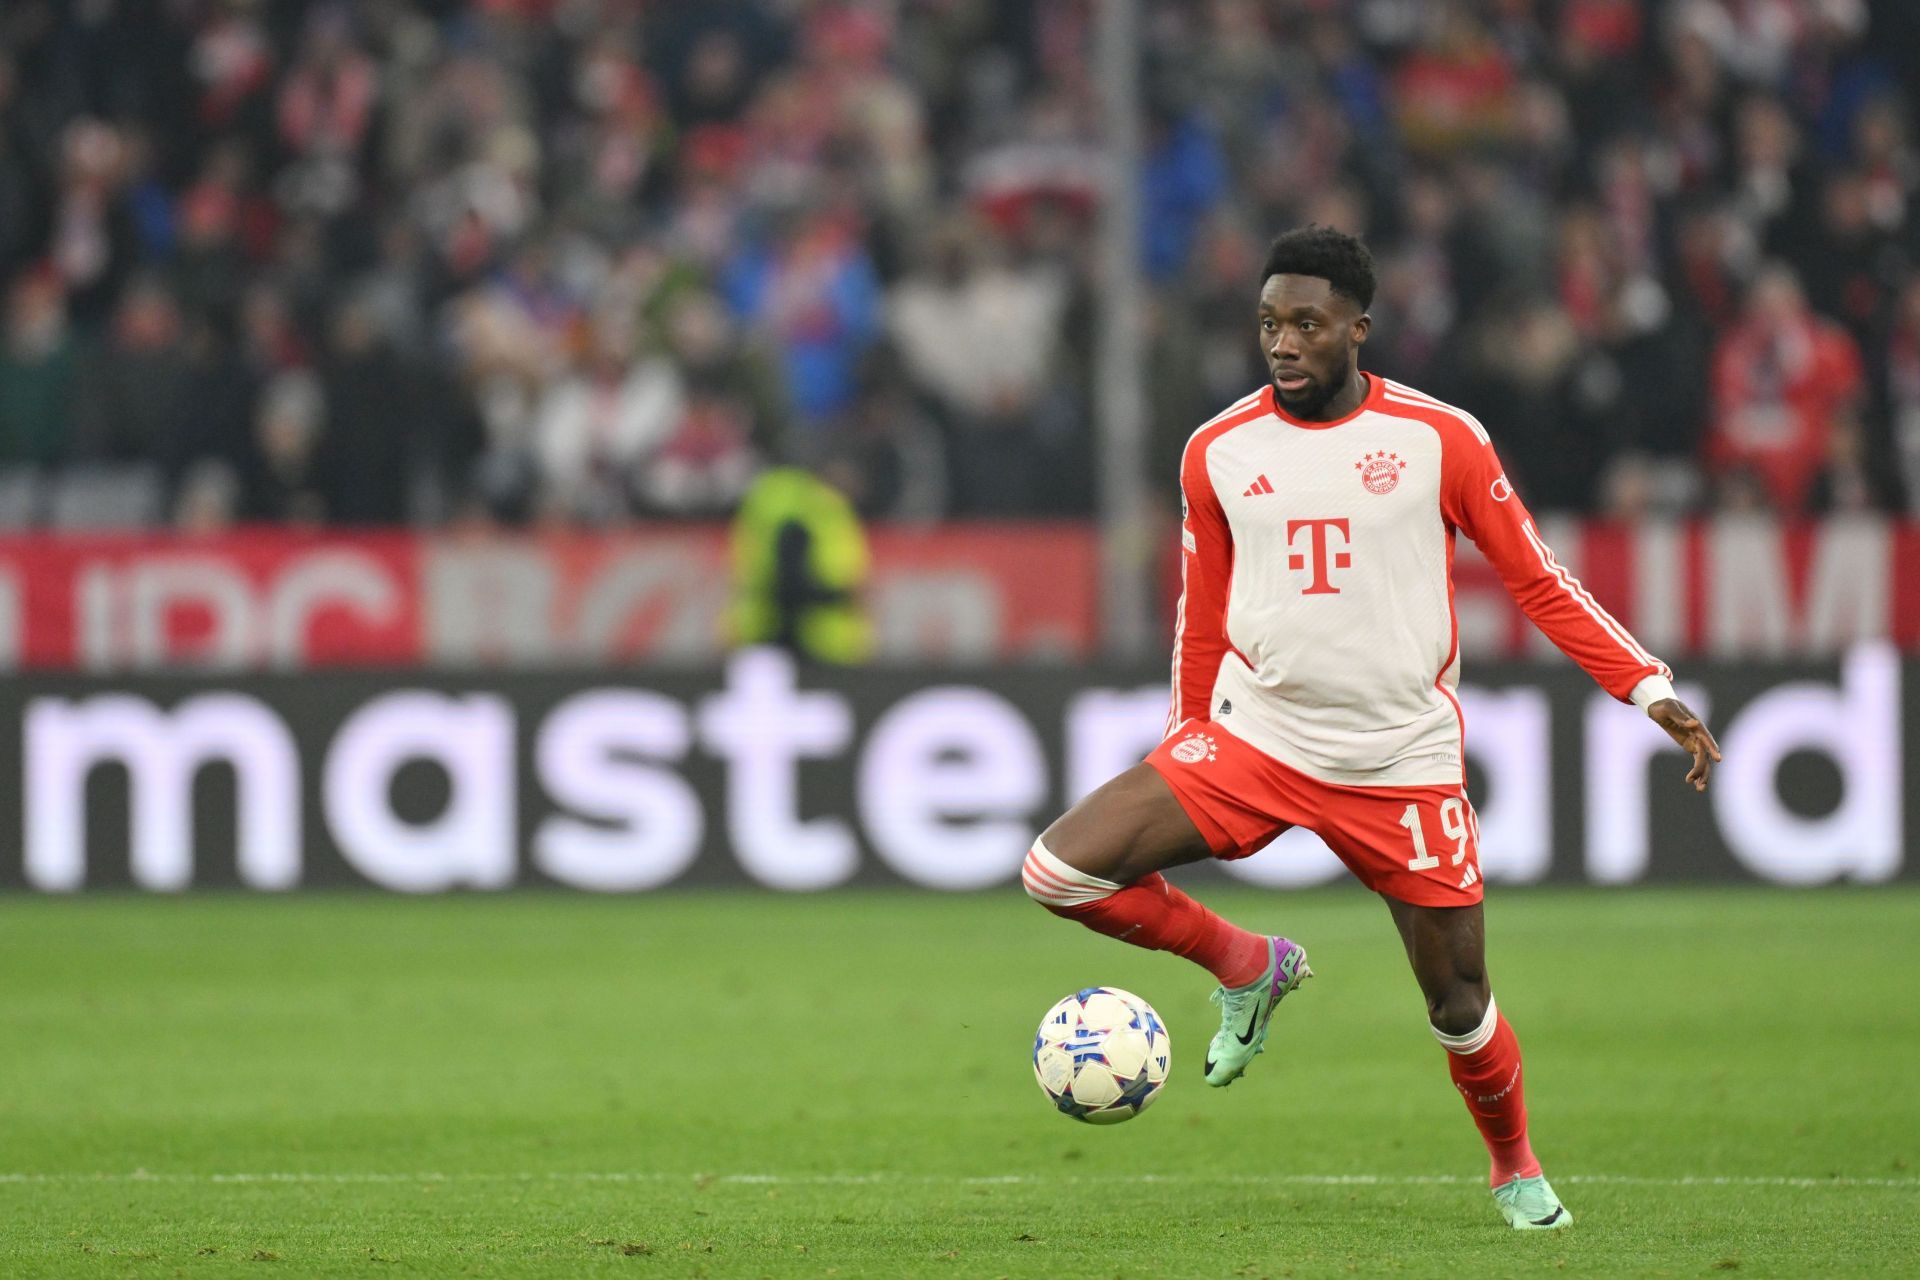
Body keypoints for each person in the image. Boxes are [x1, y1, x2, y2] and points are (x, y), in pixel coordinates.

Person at [1021, 226, 1721, 1231]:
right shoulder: (1217, 451)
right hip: (1256, 740)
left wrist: (1649, 688)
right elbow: (1203, 615)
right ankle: (1246, 963)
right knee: (1058, 871)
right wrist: (1188, 736)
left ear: (1359, 326)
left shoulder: (1441, 437)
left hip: (1399, 757)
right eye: (1269, 323)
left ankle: (1514, 1164)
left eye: (1307, 323)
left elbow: (1537, 576)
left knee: (1459, 1000)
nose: (1284, 343)